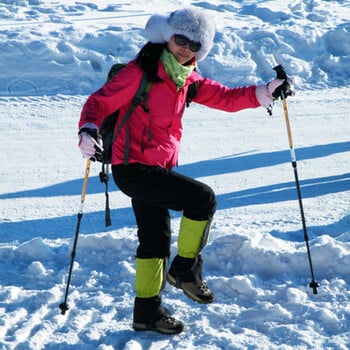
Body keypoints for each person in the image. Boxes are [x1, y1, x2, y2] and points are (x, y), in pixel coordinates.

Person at [78, 7, 294, 335]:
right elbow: (99, 102)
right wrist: (88, 129)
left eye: (195, 46)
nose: (185, 49)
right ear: (168, 36)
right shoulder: (141, 72)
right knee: (202, 199)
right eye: (181, 40)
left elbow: (226, 97)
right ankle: (185, 270)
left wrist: (267, 90)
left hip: (156, 167)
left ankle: (146, 313)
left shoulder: (185, 78)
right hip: (133, 167)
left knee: (155, 241)